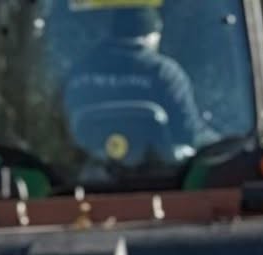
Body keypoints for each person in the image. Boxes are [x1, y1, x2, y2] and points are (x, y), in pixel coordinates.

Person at [61, 6, 213, 163]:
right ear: (153, 34)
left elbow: (59, 126)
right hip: (159, 179)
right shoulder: (164, 73)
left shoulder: (79, 71)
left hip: (85, 179)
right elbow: (190, 134)